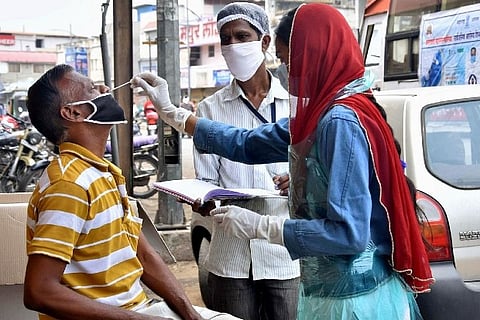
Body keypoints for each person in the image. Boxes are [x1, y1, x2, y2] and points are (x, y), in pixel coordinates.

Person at [131, 3, 434, 320]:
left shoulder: (339, 121)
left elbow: (349, 235)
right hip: (334, 290)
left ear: (316, 57)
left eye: (292, 62)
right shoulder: (320, 115)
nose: (290, 73)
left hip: (356, 300)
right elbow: (247, 144)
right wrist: (174, 115)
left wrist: (262, 226)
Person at [23, 64, 240, 320]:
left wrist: (190, 314)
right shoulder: (69, 184)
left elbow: (144, 256)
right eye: (93, 89)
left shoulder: (104, 173)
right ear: (73, 112)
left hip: (138, 309)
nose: (105, 89)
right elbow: (39, 291)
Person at [192, 3, 300, 320]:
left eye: (242, 36)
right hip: (231, 255)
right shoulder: (210, 110)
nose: (233, 46)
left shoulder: (294, 103)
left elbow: (317, 166)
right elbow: (206, 182)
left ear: (265, 42)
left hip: (284, 254)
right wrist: (203, 199)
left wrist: (300, 178)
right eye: (226, 39)